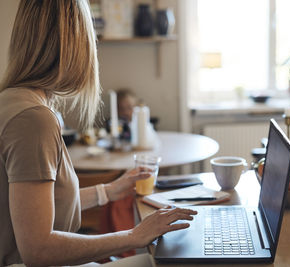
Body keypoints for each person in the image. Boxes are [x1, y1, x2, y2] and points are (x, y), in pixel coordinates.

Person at [0, 1, 197, 266]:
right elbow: (39, 250)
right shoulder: (34, 120)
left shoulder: (12, 101)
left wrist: (108, 191)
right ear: (75, 45)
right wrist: (133, 236)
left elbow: (35, 210)